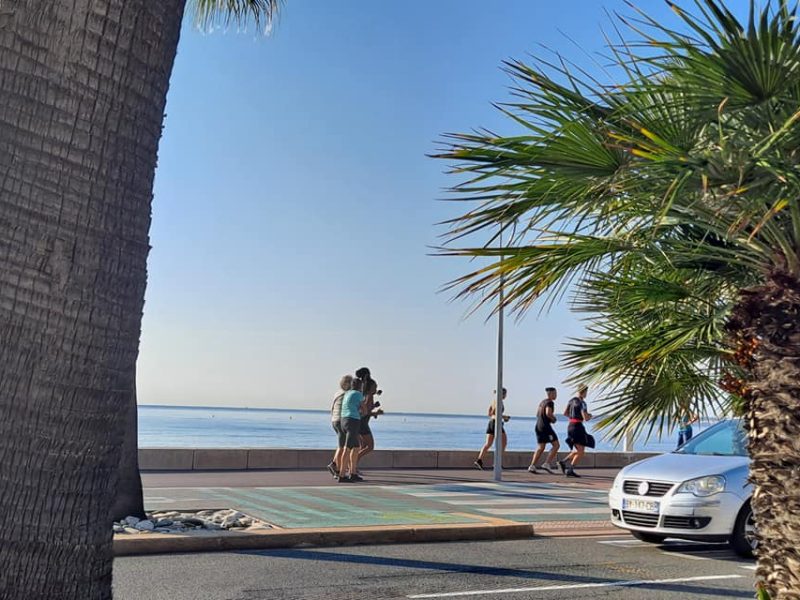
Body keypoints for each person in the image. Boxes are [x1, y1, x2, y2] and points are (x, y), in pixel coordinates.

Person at [559, 385, 593, 477]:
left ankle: (563, 462)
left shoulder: (571, 401)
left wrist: (573, 417)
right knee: (581, 451)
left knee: (578, 449)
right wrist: (590, 416)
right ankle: (570, 469)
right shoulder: (582, 403)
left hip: (570, 425)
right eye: (586, 392)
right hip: (578, 426)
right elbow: (585, 418)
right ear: (584, 392)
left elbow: (565, 413)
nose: (586, 394)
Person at [338, 377, 366, 482]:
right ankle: (341, 475)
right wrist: (361, 413)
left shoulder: (347, 393)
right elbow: (365, 409)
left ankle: (353, 473)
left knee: (356, 447)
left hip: (343, 420)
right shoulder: (359, 394)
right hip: (353, 421)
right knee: (348, 448)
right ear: (360, 386)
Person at [474, 388, 509, 470]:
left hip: (491, 423)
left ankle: (479, 460)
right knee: (504, 443)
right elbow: (495, 413)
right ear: (502, 394)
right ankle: (497, 462)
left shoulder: (494, 401)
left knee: (488, 444)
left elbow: (489, 413)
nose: (506, 396)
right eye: (505, 394)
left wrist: (501, 417)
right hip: (496, 423)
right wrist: (505, 417)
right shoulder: (499, 402)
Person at [528, 387, 560, 474]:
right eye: (554, 393)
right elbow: (548, 413)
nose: (556, 395)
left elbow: (538, 414)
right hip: (546, 427)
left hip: (538, 426)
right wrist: (553, 419)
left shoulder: (542, 402)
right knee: (556, 445)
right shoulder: (550, 402)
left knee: (541, 447)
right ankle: (546, 463)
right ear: (550, 394)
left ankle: (532, 466)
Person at [327, 374, 352, 477]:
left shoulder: (337, 393)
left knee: (341, 444)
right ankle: (336, 467)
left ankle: (334, 464)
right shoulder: (347, 394)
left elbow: (332, 407)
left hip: (334, 420)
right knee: (342, 446)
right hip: (341, 420)